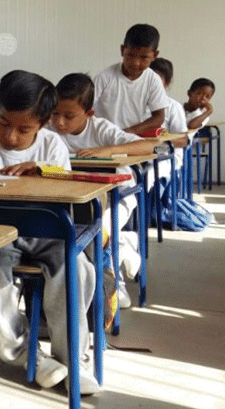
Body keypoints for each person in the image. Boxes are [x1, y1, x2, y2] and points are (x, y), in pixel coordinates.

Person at [0, 69, 100, 395]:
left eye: (24, 129)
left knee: (76, 269)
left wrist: (45, 173)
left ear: (44, 123)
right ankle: (25, 355)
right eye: (4, 123)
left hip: (46, 236)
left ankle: (74, 359)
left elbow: (67, 200)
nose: (12, 137)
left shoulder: (52, 146)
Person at [51, 72, 155, 308]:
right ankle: (125, 244)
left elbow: (148, 145)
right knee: (73, 233)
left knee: (101, 231)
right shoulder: (50, 134)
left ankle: (114, 287)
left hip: (117, 196)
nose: (59, 122)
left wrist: (108, 150)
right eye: (55, 114)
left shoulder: (101, 129)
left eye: (69, 116)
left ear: (89, 114)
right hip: (76, 198)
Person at [93, 24, 170, 135]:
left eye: (144, 57)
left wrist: (130, 132)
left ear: (155, 55)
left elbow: (159, 117)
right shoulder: (105, 77)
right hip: (105, 137)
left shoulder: (153, 80)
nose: (136, 62)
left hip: (132, 138)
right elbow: (85, 109)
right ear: (122, 50)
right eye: (130, 55)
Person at [149, 58, 189, 168]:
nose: (153, 81)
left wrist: (161, 143)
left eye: (158, 78)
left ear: (167, 81)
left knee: (151, 172)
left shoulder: (173, 106)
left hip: (167, 154)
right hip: (142, 152)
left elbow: (183, 140)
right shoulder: (136, 104)